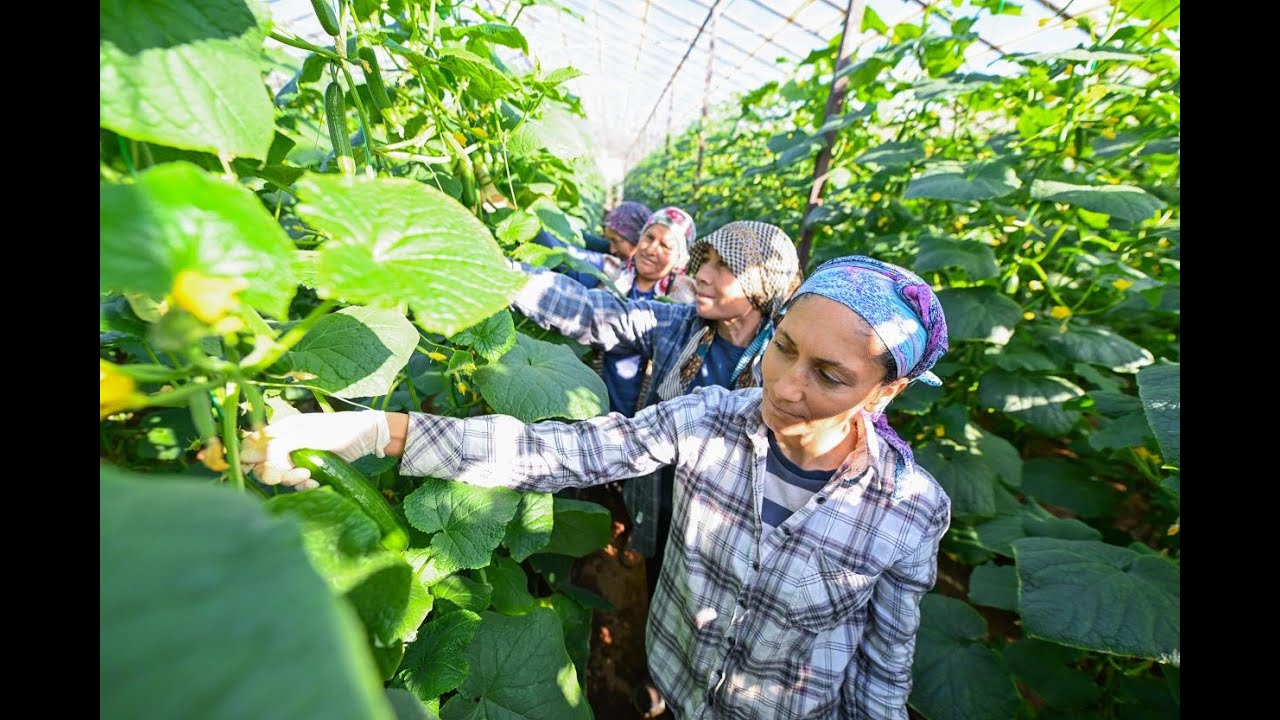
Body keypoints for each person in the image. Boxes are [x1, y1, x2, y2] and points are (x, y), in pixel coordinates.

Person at [241, 254, 952, 719]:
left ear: (884, 393)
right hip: (674, 676)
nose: (786, 386)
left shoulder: (909, 511)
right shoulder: (706, 418)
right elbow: (560, 451)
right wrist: (374, 432)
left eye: (829, 375)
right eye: (784, 349)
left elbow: (883, 671)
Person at [531, 200, 652, 288]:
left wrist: (529, 226)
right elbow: (577, 236)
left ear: (638, 239)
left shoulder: (619, 271)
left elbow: (567, 256)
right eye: (609, 240)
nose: (612, 249)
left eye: (616, 241)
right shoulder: (614, 253)